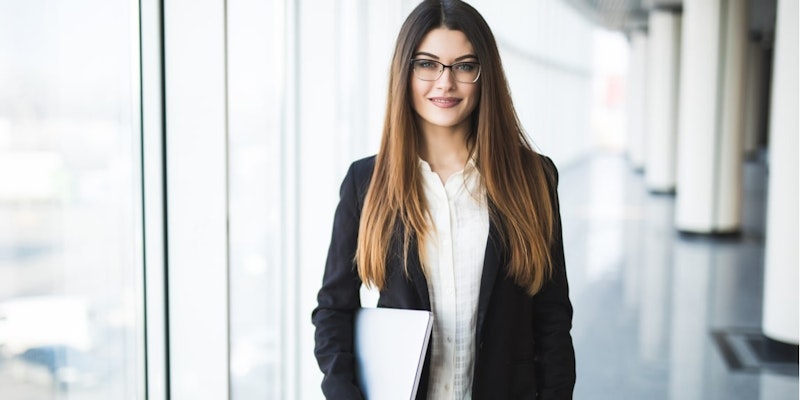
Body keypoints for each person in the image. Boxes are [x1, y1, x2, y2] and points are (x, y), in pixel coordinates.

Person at [312, 0, 576, 398]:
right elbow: (333, 310)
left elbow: (552, 315)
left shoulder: (532, 177)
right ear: (406, 71)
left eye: (465, 66)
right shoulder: (366, 183)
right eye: (427, 64)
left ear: (485, 75)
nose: (445, 83)